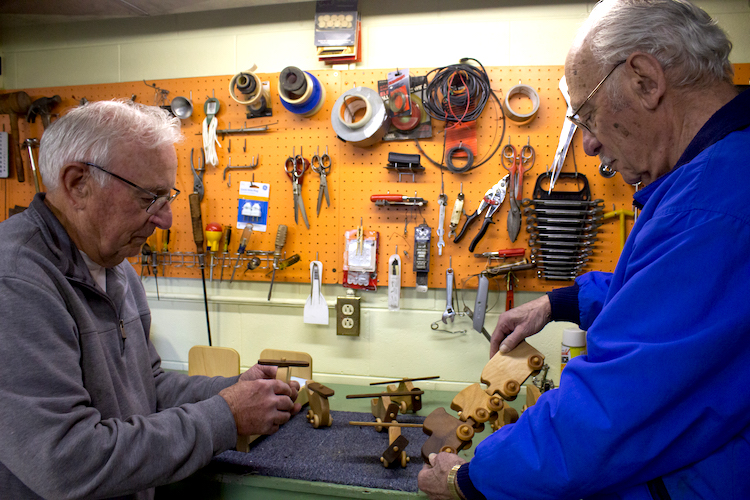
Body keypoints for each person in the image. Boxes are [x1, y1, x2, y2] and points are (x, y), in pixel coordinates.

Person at [419, 0, 750, 498]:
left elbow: (607, 416)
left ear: (644, 79)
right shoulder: (715, 176)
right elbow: (656, 296)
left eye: (588, 115)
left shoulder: (711, 210)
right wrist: (558, 302)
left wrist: (467, 478)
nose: (589, 146)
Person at [0, 99, 301, 499]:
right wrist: (225, 415)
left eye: (167, 197)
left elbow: (147, 389)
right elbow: (67, 461)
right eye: (148, 198)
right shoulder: (17, 281)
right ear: (78, 185)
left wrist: (231, 389)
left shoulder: (114, 264)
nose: (166, 219)